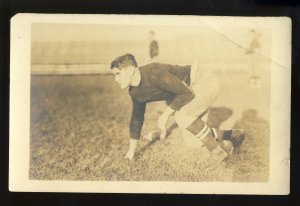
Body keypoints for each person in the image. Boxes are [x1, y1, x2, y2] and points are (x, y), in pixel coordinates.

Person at [110, 54, 245, 168]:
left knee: (182, 116)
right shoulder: (134, 92)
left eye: (118, 74)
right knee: (194, 141)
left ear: (130, 70)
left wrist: (165, 114)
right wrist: (131, 151)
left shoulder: (153, 72)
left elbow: (186, 93)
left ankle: (217, 152)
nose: (116, 79)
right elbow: (136, 120)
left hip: (204, 81)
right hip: (192, 89)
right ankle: (233, 135)